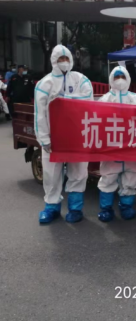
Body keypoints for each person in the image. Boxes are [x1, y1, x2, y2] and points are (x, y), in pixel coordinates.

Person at [35, 45, 93, 224]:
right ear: (53, 61)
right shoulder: (44, 84)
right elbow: (40, 114)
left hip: (77, 137)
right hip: (53, 139)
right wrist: (44, 139)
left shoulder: (81, 79)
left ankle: (75, 209)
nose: (64, 62)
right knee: (51, 174)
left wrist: (64, 100)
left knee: (78, 172)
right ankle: (51, 207)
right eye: (60, 59)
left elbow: (89, 103)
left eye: (66, 58)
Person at [97, 66, 136, 222]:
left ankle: (126, 207)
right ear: (111, 79)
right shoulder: (104, 99)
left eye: (122, 77)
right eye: (116, 77)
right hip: (111, 147)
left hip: (132, 147)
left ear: (128, 78)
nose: (120, 80)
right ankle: (106, 209)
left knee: (131, 179)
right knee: (108, 178)